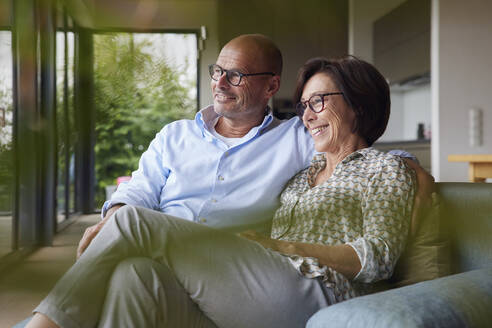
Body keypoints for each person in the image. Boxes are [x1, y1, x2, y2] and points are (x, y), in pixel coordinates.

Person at [26, 54, 418, 328]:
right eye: (304, 106)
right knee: (135, 275)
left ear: (359, 103)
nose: (308, 115)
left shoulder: (385, 168)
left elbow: (378, 257)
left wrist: (288, 247)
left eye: (318, 101)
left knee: (131, 223)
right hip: (258, 290)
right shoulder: (304, 171)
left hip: (317, 291)